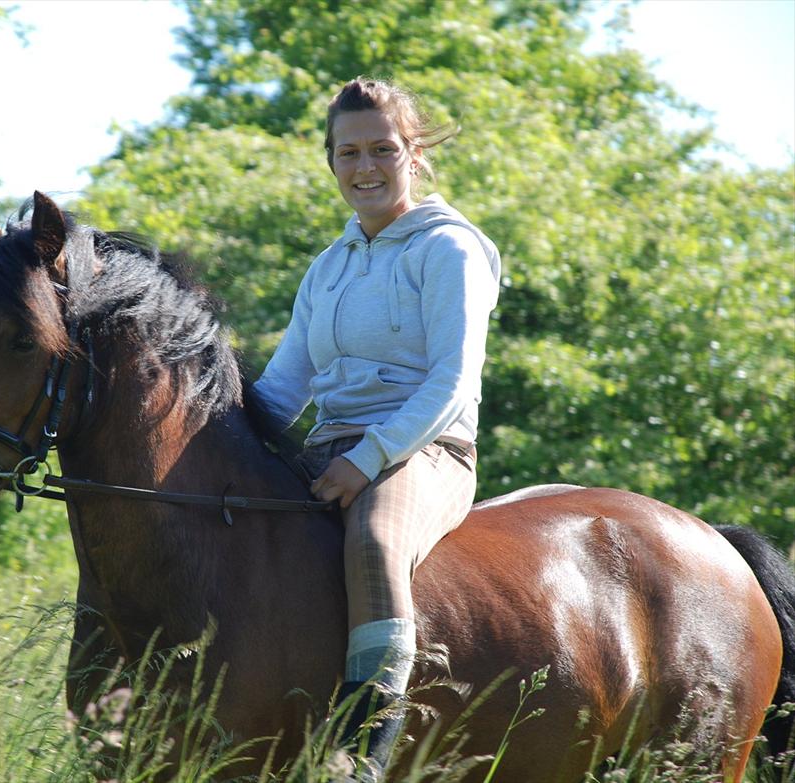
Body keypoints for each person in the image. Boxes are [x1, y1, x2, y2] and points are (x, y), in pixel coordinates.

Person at [252, 77, 501, 779]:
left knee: (372, 539)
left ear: (413, 153)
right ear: (330, 161)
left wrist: (367, 460)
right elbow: (280, 391)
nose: (365, 168)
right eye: (348, 152)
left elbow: (450, 384)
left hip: (427, 447)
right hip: (331, 447)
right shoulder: (327, 268)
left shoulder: (449, 250)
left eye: (382, 149)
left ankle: (365, 750)